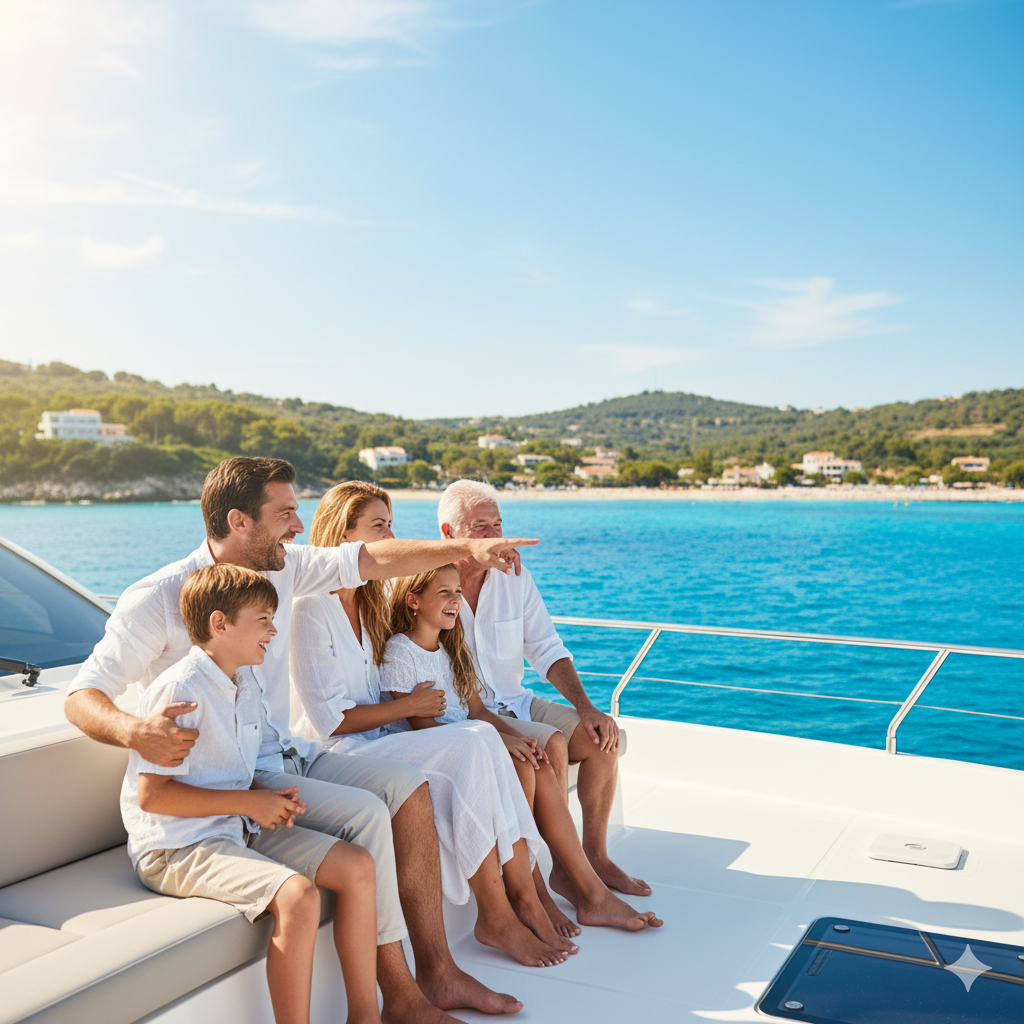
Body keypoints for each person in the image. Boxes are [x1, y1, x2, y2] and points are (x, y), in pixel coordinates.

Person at [66, 457, 538, 1022]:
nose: (298, 524)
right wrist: (135, 731)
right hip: (226, 784)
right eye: (285, 512)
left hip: (280, 755)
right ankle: (398, 997)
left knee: (408, 791)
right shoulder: (158, 597)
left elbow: (370, 558)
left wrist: (464, 551)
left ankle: (431, 976)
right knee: (368, 815)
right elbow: (83, 693)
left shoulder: (285, 568)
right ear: (239, 521)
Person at [290, 482, 574, 967]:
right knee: (475, 741)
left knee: (485, 738)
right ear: (344, 535)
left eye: (390, 523)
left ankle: (526, 889)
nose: (391, 535)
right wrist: (409, 706)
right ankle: (497, 914)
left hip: (383, 738)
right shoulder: (311, 607)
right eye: (379, 525)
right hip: (340, 752)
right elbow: (329, 720)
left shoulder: (372, 597)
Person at [123, 563, 381, 1024]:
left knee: (357, 865)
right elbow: (154, 797)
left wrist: (271, 798)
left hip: (233, 826)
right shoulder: (182, 689)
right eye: (263, 619)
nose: (274, 629)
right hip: (178, 846)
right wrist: (250, 802)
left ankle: (367, 1016)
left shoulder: (245, 681)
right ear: (219, 624)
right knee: (299, 898)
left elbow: (240, 770)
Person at [383, 564, 662, 934]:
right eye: (445, 593)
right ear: (413, 601)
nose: (455, 601)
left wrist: (514, 738)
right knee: (524, 767)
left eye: (457, 593)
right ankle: (536, 893)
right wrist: (502, 744)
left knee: (540, 757)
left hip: (475, 733)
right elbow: (426, 729)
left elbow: (478, 710)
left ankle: (584, 885)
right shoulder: (401, 652)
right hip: (446, 750)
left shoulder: (452, 646)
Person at [438, 480, 651, 908]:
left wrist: (587, 707)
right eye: (481, 527)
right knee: (548, 744)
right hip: (466, 714)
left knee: (600, 739)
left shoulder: (515, 575)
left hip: (514, 699)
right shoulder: (430, 586)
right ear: (448, 533)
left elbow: (546, 648)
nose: (495, 535)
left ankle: (595, 857)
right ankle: (565, 874)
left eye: (498, 524)